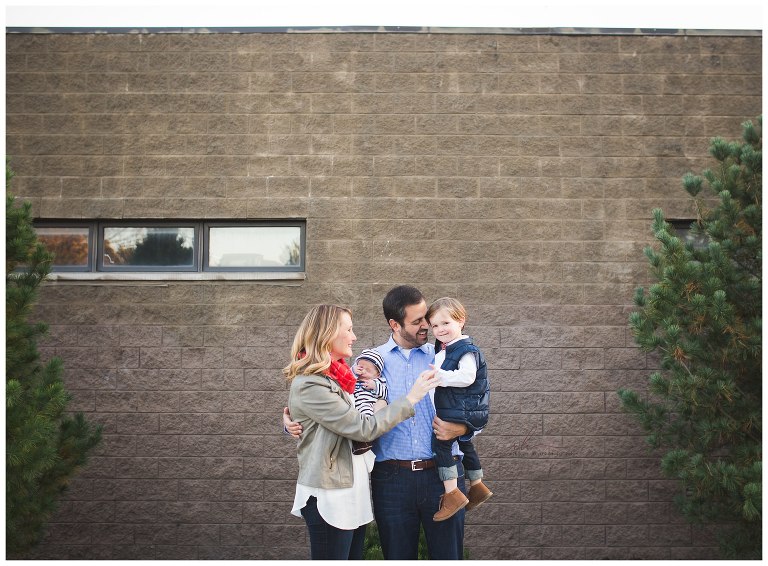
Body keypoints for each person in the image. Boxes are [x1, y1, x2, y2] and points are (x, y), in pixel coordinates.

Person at [283, 286, 469, 560]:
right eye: (417, 321)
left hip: (442, 474)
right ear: (395, 324)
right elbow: (345, 413)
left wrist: (464, 428)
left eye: (427, 318)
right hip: (390, 478)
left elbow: (477, 403)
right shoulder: (368, 364)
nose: (427, 325)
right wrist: (291, 421)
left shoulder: (444, 357)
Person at [425, 297, 492, 521]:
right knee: (464, 443)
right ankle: (477, 484)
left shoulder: (466, 349)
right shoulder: (447, 348)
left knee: (440, 444)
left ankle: (452, 493)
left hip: (460, 409)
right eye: (434, 325)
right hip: (461, 408)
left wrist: (441, 377)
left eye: (445, 323)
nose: (440, 329)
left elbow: (467, 376)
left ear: (461, 320)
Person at [350, 348, 388, 455]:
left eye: (369, 370)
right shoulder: (353, 378)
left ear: (378, 374)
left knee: (366, 416)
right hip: (353, 405)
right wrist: (353, 371)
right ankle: (358, 441)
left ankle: (363, 442)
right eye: (361, 368)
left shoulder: (378, 381)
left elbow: (384, 394)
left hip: (368, 404)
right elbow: (345, 380)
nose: (363, 372)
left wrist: (374, 386)